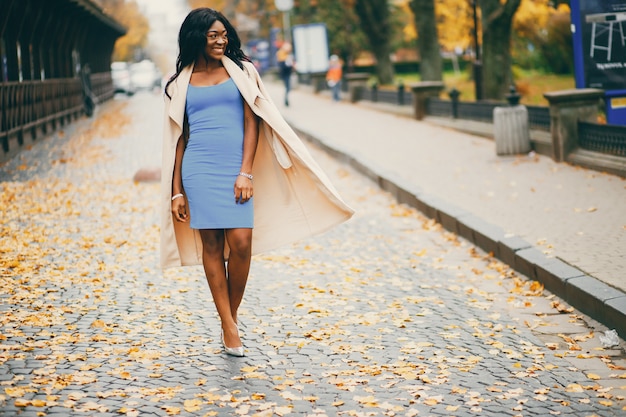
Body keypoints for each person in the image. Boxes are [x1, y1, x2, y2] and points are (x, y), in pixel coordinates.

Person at [161, 8, 354, 357]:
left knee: (241, 243)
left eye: (224, 34)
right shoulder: (179, 84)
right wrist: (176, 189)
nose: (221, 40)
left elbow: (254, 122)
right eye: (212, 36)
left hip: (235, 166)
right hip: (198, 170)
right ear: (196, 38)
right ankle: (228, 324)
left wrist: (245, 171)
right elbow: (179, 139)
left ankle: (229, 317)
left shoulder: (243, 71)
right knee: (212, 246)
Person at [276, 42, 294, 106]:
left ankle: (286, 100)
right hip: (285, 74)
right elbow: (283, 66)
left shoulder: (286, 54)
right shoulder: (282, 54)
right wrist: (290, 65)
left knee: (288, 87)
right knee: (288, 87)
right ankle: (286, 100)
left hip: (287, 73)